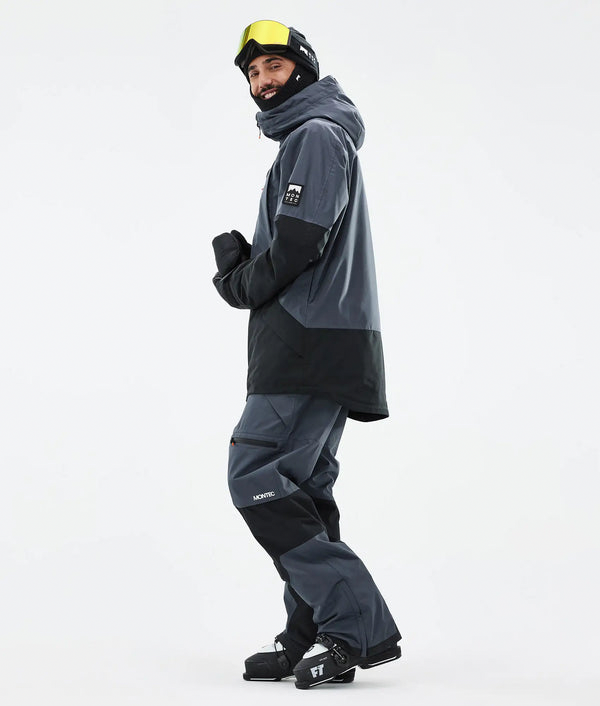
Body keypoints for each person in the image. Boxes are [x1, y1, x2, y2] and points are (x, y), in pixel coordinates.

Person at [211, 20, 401, 689]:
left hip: (307, 343)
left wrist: (239, 281)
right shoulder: (311, 136)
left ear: (304, 68)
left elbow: (298, 244)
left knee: (255, 472)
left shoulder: (316, 135)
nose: (263, 82)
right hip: (315, 340)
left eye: (274, 66)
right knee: (299, 488)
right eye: (253, 73)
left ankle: (354, 625)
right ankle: (314, 632)